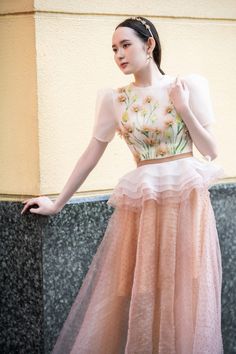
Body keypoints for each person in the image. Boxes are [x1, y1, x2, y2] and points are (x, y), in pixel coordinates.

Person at [21, 16, 225, 354]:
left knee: (186, 295)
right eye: (114, 49)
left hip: (185, 205)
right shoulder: (114, 100)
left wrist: (183, 108)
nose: (119, 55)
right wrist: (58, 203)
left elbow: (211, 150)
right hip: (142, 207)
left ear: (149, 45)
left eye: (125, 45)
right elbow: (91, 154)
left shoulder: (186, 85)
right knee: (139, 294)